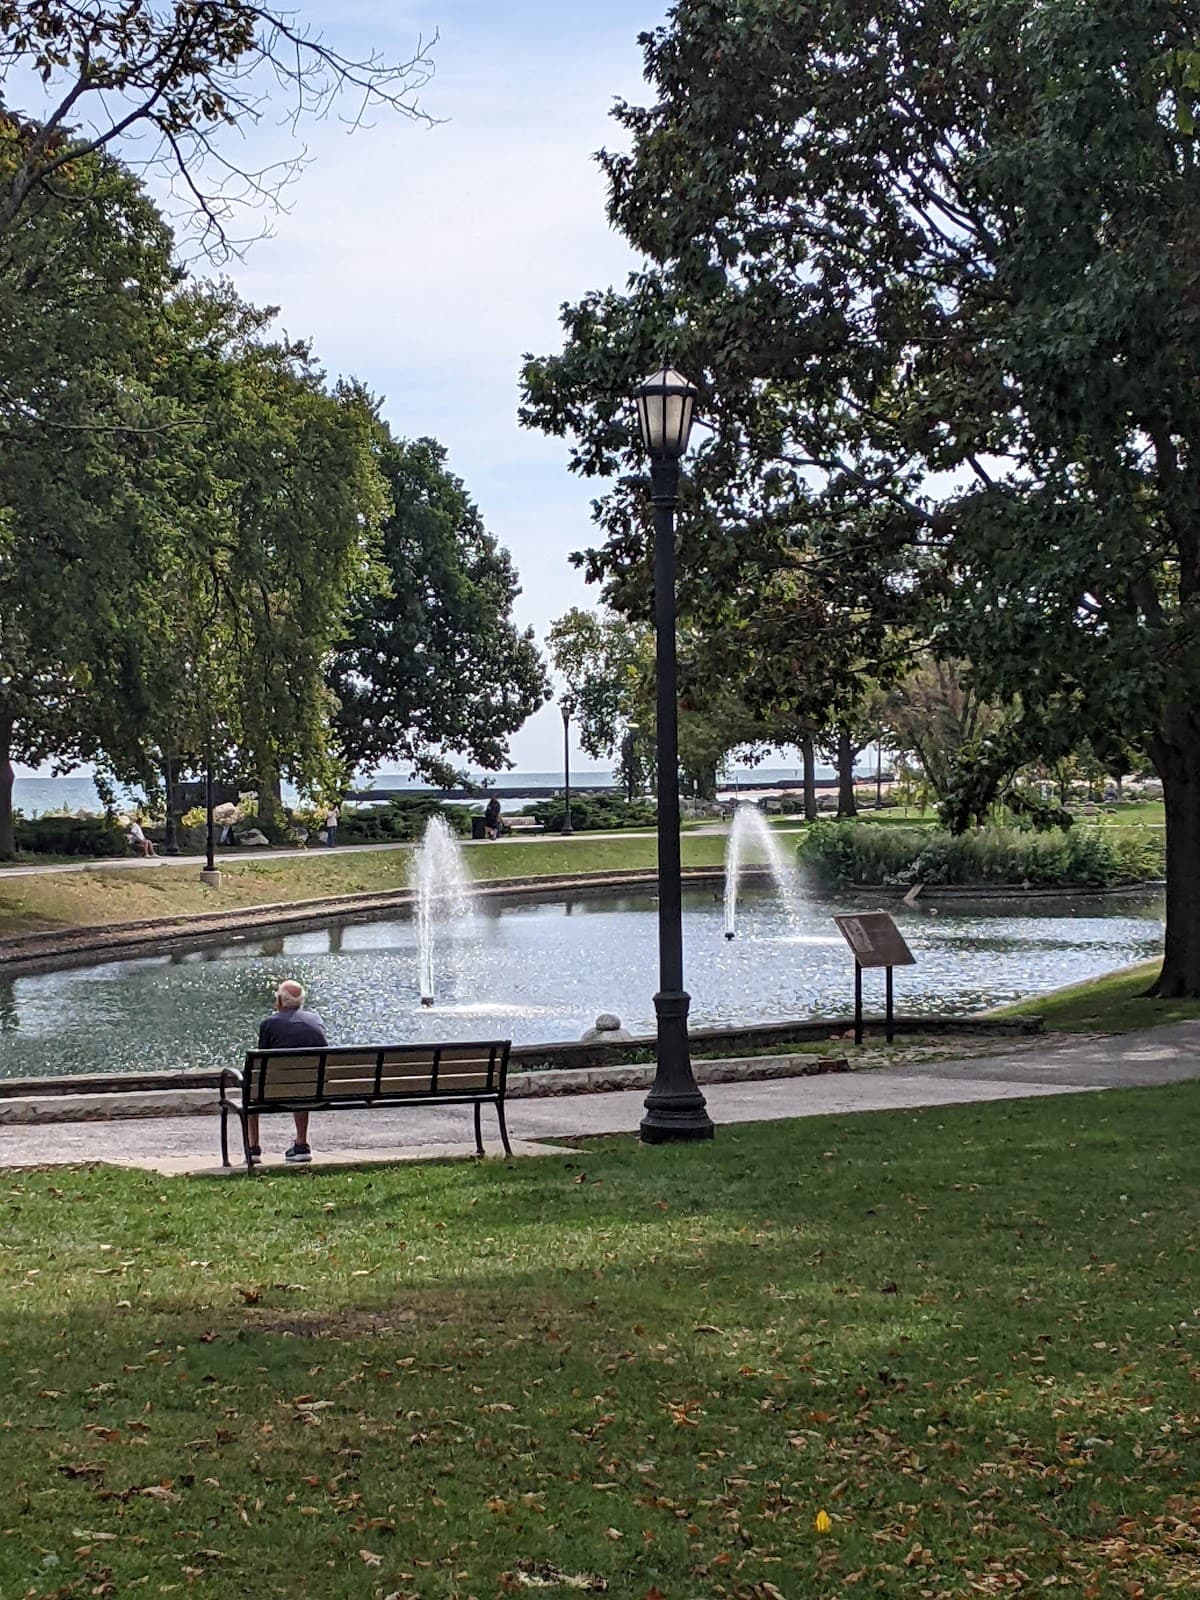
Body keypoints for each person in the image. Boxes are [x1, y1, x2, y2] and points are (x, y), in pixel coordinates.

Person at [248, 979, 326, 1164]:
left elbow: (262, 1061)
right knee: (302, 1083)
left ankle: (253, 1149)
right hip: (314, 1090)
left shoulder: (269, 1024)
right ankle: (301, 1144)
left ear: (280, 1002)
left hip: (273, 1092)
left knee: (251, 1091)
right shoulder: (316, 1019)